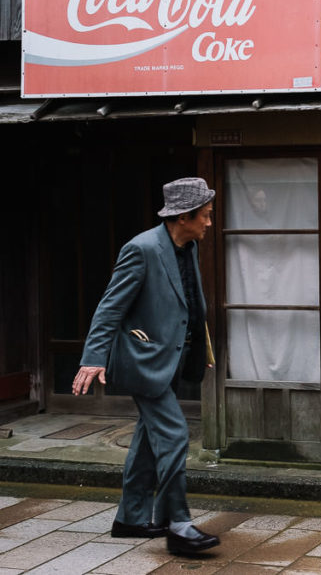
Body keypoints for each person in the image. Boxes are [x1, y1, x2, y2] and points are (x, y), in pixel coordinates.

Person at [71, 177, 220, 556]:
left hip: (173, 358)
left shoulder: (187, 247)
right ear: (184, 216)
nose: (209, 222)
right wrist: (92, 357)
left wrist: (199, 346)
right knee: (173, 436)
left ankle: (131, 518)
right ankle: (179, 525)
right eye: (204, 215)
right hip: (144, 360)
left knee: (147, 444)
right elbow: (110, 308)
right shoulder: (142, 249)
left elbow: (188, 303)